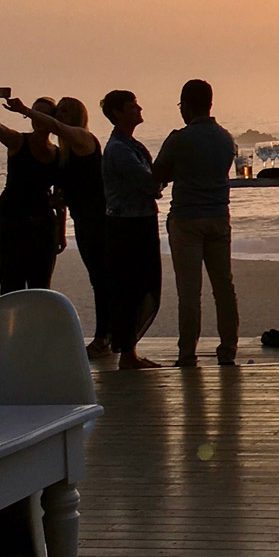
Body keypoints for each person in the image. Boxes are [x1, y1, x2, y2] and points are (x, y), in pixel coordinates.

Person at [7, 96, 111, 357]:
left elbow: (58, 128)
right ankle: (108, 336)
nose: (58, 115)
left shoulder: (82, 137)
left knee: (102, 279)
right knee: (98, 278)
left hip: (98, 220)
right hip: (83, 221)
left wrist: (25, 111)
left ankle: (104, 338)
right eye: (57, 111)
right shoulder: (65, 152)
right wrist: (60, 224)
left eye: (63, 110)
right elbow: (63, 194)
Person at [153, 79, 239, 368]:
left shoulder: (179, 139)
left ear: (186, 106)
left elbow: (157, 174)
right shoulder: (225, 138)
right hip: (219, 216)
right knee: (223, 287)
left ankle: (187, 352)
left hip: (187, 218)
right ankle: (228, 348)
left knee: (189, 292)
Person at [101, 89, 162, 370]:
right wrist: (161, 179)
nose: (138, 109)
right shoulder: (120, 149)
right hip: (128, 225)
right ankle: (128, 353)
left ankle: (130, 351)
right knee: (132, 288)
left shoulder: (131, 145)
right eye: (132, 106)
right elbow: (148, 182)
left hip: (140, 220)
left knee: (143, 287)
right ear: (117, 113)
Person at [0, 88, 60, 293]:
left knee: (41, 286)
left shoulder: (58, 154)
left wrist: (60, 232)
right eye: (33, 112)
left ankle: (37, 325)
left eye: (43, 113)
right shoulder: (19, 141)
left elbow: (60, 197)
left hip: (42, 226)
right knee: (11, 285)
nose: (36, 117)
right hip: (11, 223)